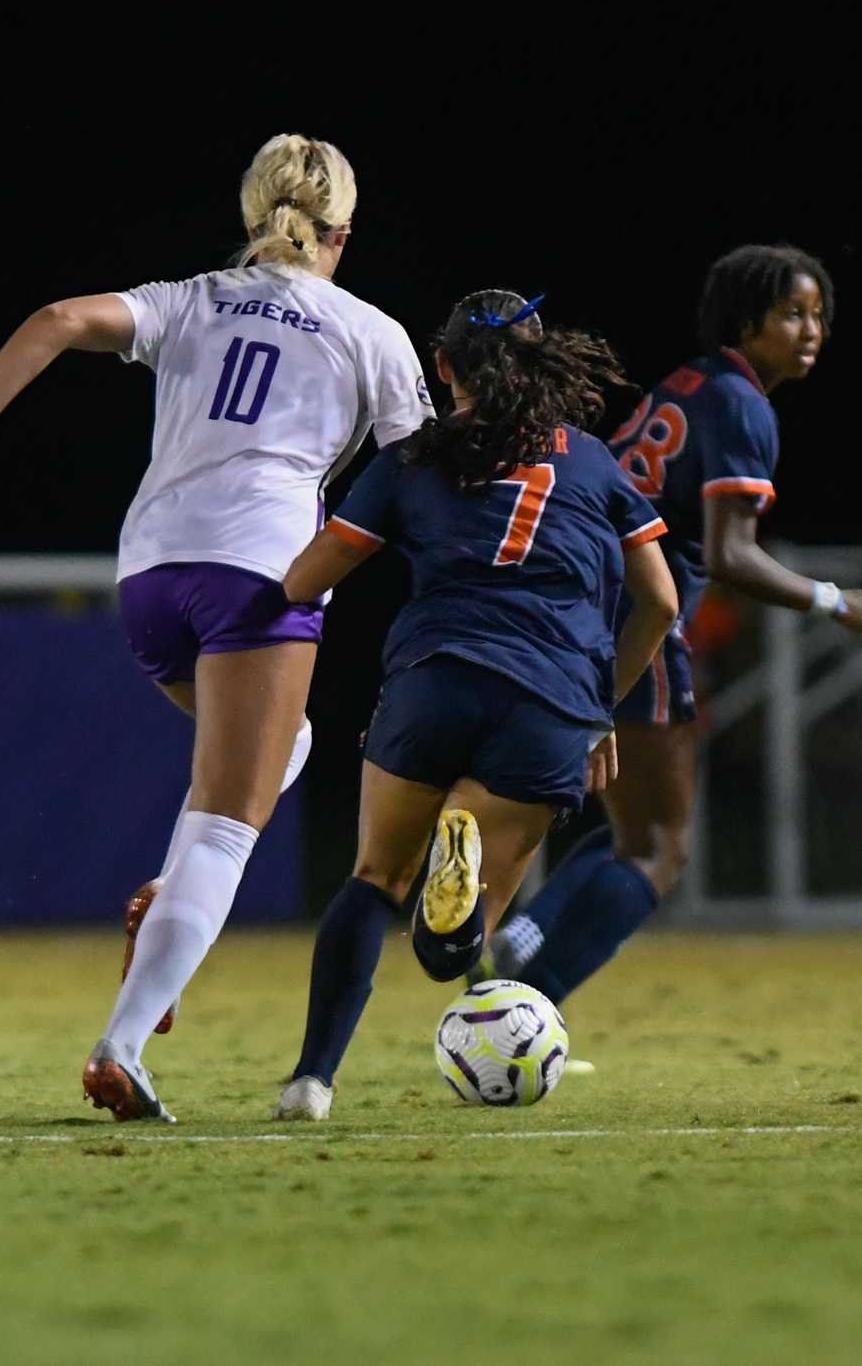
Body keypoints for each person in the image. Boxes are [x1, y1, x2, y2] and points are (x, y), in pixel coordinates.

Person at [0, 134, 429, 1123]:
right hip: (260, 573)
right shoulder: (370, 331)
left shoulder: (189, 298)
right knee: (228, 823)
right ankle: (121, 1044)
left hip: (149, 574)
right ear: (341, 232)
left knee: (273, 753)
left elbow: (55, 318)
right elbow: (419, 478)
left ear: (251, 217)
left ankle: (170, 893)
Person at [270, 289, 678, 1122]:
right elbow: (662, 603)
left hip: (434, 678)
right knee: (446, 944)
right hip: (553, 699)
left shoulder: (415, 457)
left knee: (373, 879)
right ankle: (453, 883)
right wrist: (601, 708)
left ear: (443, 366)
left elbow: (303, 582)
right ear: (541, 363)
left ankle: (311, 1080)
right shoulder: (594, 462)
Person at [482, 244, 862, 1004]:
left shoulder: (689, 384)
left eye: (819, 316)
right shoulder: (743, 404)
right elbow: (731, 554)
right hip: (638, 617)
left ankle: (530, 927)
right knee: (662, 850)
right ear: (747, 322)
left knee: (630, 830)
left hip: (569, 609)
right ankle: (526, 1006)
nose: (812, 330)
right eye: (792, 314)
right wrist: (835, 601)